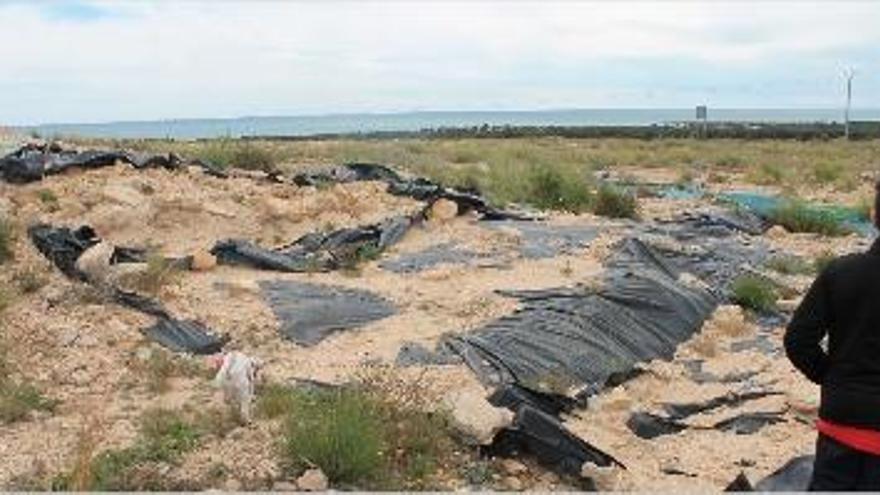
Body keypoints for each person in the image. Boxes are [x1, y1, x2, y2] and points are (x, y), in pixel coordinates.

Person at [785, 180, 880, 491]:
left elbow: (798, 340)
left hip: (842, 423)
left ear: (874, 215)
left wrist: (833, 377)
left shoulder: (841, 272)